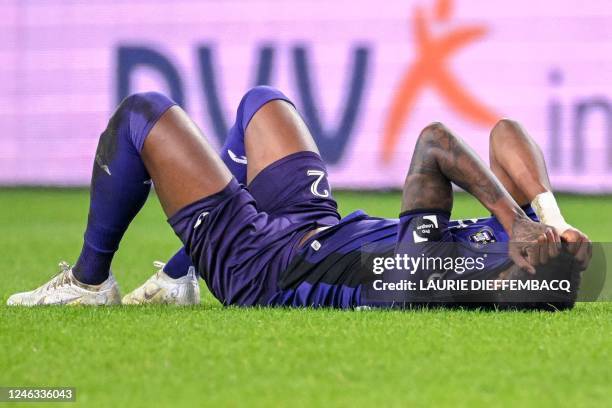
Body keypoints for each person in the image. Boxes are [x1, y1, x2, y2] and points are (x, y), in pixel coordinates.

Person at [7, 86, 591, 308]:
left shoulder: (423, 273)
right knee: (263, 104)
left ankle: (90, 285)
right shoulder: (507, 247)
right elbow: (503, 133)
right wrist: (547, 216)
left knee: (139, 117)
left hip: (262, 266)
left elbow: (434, 144)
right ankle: (180, 278)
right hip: (316, 224)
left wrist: (515, 223)